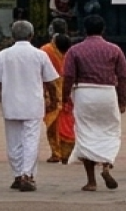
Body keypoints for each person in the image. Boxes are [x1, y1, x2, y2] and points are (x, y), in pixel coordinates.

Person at [0, 20, 60, 192]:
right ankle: (27, 175)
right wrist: (54, 101)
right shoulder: (40, 55)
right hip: (33, 104)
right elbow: (51, 82)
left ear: (13, 36)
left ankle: (17, 175)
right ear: (31, 35)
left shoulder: (3, 55)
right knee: (31, 140)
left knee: (13, 142)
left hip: (10, 104)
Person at [62, 14, 126, 192]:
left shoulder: (74, 50)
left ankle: (91, 181)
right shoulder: (114, 49)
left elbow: (68, 76)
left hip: (84, 94)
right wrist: (122, 100)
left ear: (85, 30)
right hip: (107, 94)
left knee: (86, 134)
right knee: (110, 131)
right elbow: (123, 75)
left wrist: (65, 97)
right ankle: (106, 165)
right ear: (103, 29)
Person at [40, 29, 74, 164]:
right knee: (68, 123)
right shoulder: (71, 53)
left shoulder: (46, 50)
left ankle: (56, 152)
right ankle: (67, 152)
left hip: (51, 91)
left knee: (53, 125)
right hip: (68, 91)